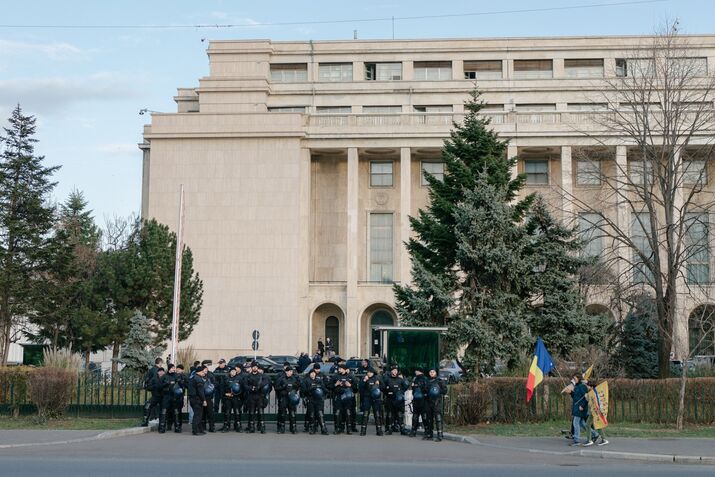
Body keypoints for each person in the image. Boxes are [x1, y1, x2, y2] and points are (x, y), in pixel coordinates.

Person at [570, 375, 599, 446]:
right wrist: (571, 393)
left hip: (580, 408)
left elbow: (586, 397)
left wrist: (582, 405)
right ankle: (595, 434)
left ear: (578, 378)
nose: (573, 379)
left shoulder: (582, 386)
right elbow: (576, 397)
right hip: (577, 408)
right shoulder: (577, 387)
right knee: (582, 424)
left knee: (575, 423)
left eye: (575, 378)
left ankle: (576, 440)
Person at [329, 363, 357, 435]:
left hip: (348, 397)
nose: (339, 370)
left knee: (348, 412)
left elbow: (356, 389)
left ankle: (349, 429)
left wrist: (350, 385)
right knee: (337, 412)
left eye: (340, 368)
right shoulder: (335, 377)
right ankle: (337, 428)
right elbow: (329, 386)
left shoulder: (350, 376)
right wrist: (336, 384)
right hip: (338, 396)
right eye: (339, 368)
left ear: (345, 369)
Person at [302, 364, 329, 435]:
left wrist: (327, 392)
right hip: (310, 399)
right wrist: (311, 388)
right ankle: (312, 428)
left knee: (320, 414)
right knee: (312, 414)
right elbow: (304, 391)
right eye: (312, 373)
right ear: (310, 374)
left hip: (319, 399)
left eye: (314, 373)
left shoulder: (319, 380)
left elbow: (324, 388)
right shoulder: (306, 380)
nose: (313, 374)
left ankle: (323, 429)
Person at [275, 366, 301, 434]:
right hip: (284, 397)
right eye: (288, 371)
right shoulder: (281, 379)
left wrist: (294, 389)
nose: (290, 373)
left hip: (292, 398)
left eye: (291, 371)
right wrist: (283, 388)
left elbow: (298, 386)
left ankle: (293, 427)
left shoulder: (294, 379)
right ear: (286, 372)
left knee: (292, 413)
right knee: (282, 413)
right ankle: (281, 427)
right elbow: (276, 387)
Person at [383, 364, 408, 435]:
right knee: (390, 414)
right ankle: (389, 428)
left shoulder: (400, 379)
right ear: (391, 371)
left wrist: (401, 393)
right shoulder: (387, 379)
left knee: (400, 414)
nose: (394, 372)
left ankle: (402, 429)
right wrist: (387, 393)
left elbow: (405, 386)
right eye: (393, 370)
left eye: (396, 370)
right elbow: (383, 388)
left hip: (398, 400)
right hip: (390, 399)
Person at [359, 367, 385, 436]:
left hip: (376, 398)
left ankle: (379, 430)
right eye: (368, 372)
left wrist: (378, 384)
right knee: (365, 414)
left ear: (373, 373)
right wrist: (364, 381)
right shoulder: (365, 378)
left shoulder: (378, 378)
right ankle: (363, 430)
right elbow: (360, 388)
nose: (369, 373)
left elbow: (383, 387)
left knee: (377, 414)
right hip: (367, 397)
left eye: (370, 372)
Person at [424, 368, 447, 442]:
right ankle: (429, 434)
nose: (431, 373)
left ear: (436, 373)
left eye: (433, 372)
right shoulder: (427, 381)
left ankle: (439, 435)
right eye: (430, 372)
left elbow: (445, 390)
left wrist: (438, 390)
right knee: (429, 419)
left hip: (437, 402)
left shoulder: (440, 381)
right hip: (428, 402)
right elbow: (424, 390)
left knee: (438, 418)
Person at [141, 357, 164, 426]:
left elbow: (147, 379)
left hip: (153, 390)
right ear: (160, 363)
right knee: (156, 405)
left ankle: (152, 418)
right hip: (157, 391)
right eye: (162, 363)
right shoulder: (156, 370)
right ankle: (155, 418)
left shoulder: (151, 369)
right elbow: (156, 380)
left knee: (152, 404)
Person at [158, 364, 181, 433]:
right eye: (172, 368)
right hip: (166, 396)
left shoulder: (177, 376)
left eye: (174, 368)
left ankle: (177, 427)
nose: (174, 369)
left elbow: (181, 385)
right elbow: (159, 385)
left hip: (174, 396)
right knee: (164, 411)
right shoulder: (164, 376)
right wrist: (167, 383)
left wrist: (179, 382)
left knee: (176, 411)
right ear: (169, 368)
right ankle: (162, 427)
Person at [245, 362, 264, 433]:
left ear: (257, 368)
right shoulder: (248, 376)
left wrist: (259, 387)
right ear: (251, 367)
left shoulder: (261, 376)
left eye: (256, 367)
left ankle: (262, 427)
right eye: (253, 367)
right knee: (251, 412)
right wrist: (251, 388)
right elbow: (245, 385)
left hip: (259, 395)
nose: (255, 368)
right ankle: (251, 427)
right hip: (251, 395)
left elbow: (265, 383)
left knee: (260, 412)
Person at [188, 365, 208, 436]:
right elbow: (200, 391)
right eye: (203, 372)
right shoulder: (198, 379)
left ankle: (200, 429)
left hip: (192, 399)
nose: (204, 373)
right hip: (197, 399)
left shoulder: (192, 377)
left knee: (199, 414)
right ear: (200, 372)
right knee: (198, 415)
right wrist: (204, 400)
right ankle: (195, 430)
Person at [222, 366, 243, 432]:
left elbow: (242, 389)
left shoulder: (239, 378)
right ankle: (226, 426)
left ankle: (238, 426)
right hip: (227, 398)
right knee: (227, 412)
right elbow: (221, 388)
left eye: (234, 371)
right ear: (230, 372)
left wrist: (236, 394)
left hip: (236, 398)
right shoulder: (226, 378)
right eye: (232, 371)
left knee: (237, 412)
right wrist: (225, 394)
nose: (233, 372)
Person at [409, 367, 428, 437]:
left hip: (423, 401)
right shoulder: (415, 379)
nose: (415, 372)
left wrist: (422, 392)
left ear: (419, 371)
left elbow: (427, 389)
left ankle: (426, 431)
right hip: (416, 400)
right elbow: (413, 388)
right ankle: (413, 431)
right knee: (415, 416)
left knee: (424, 416)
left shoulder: (425, 379)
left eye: (416, 371)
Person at [201, 359, 217, 433]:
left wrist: (211, 389)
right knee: (202, 413)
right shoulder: (199, 373)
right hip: (201, 396)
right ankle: (202, 426)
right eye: (207, 365)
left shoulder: (210, 374)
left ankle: (212, 427)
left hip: (208, 397)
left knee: (210, 413)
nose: (208, 367)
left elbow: (214, 384)